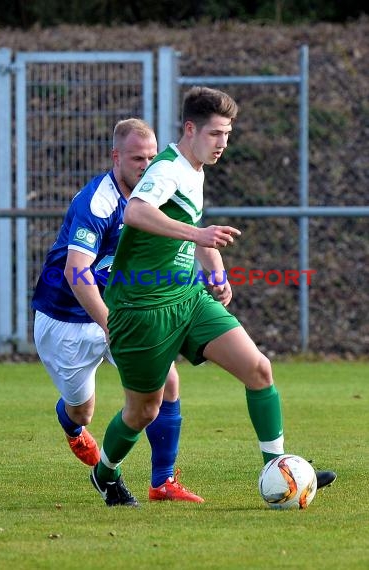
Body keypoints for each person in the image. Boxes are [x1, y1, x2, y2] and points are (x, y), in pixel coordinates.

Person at [90, 86, 337, 507]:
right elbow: (135, 212)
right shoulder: (166, 168)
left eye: (228, 133)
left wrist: (217, 272)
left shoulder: (194, 168)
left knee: (259, 369)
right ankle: (105, 472)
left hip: (187, 299)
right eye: (216, 133)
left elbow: (192, 226)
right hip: (141, 310)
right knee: (143, 411)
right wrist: (198, 234)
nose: (224, 143)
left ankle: (279, 470)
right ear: (191, 129)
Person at [32, 118, 204, 503]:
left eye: (150, 156)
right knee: (82, 411)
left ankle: (162, 482)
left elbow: (181, 237)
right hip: (66, 318)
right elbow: (77, 273)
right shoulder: (99, 202)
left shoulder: (157, 192)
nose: (146, 165)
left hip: (120, 308)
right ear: (116, 157)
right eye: (136, 158)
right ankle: (72, 427)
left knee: (168, 381)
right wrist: (109, 323)